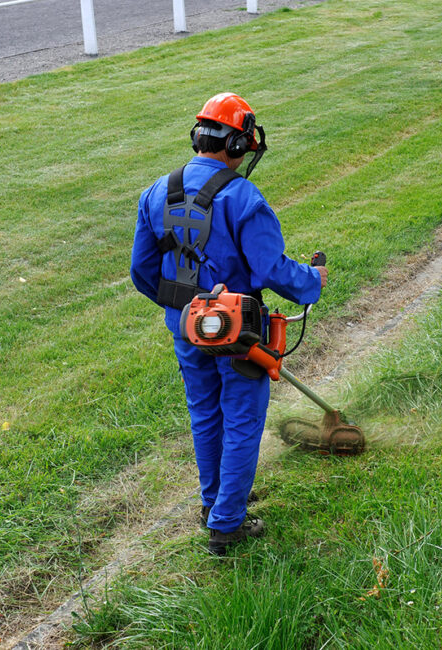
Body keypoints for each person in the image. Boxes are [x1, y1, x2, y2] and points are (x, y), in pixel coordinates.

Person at [130, 92, 327, 555]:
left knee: (205, 414)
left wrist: (184, 310)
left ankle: (214, 501)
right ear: (237, 146)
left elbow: (142, 270)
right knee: (241, 420)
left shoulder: (157, 191)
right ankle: (225, 525)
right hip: (238, 333)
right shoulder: (242, 197)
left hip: (186, 328)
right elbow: (271, 269)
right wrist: (312, 281)